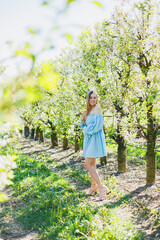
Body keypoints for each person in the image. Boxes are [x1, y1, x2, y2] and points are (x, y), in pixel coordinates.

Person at [80, 90, 110, 200]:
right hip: (88, 139)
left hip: (95, 138)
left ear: (97, 99)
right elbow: (82, 125)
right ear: (88, 99)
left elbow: (98, 126)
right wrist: (86, 129)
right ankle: (93, 186)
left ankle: (101, 187)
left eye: (95, 98)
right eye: (91, 98)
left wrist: (87, 130)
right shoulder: (85, 112)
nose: (93, 100)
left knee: (87, 164)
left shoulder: (98, 109)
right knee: (92, 163)